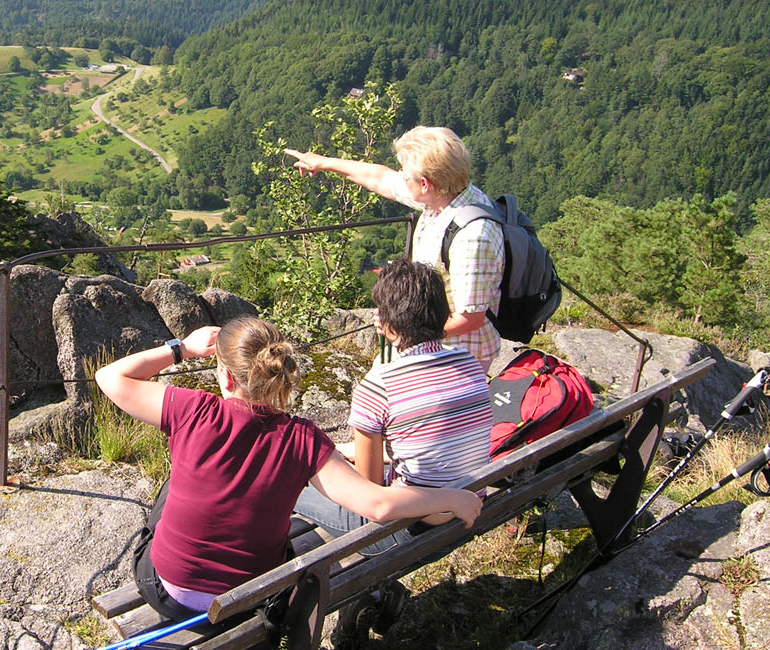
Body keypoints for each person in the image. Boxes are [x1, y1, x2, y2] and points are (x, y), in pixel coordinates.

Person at [95, 316, 481, 619]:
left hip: (170, 596)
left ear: (225, 375)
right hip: (256, 598)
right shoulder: (302, 439)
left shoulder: (192, 410)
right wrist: (452, 498)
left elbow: (108, 376)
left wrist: (183, 348)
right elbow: (377, 505)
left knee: (171, 488)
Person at [293, 259, 492, 542]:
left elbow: (368, 491)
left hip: (408, 532)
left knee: (295, 478)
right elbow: (429, 442)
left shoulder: (379, 386)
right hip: (469, 509)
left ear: (386, 322)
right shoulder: (469, 362)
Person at [284, 126, 504, 373]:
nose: (401, 176)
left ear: (425, 183)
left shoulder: (473, 237)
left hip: (458, 357)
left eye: (405, 174)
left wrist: (403, 329)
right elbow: (379, 178)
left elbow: (470, 318)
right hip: (427, 342)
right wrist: (322, 162)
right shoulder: (444, 197)